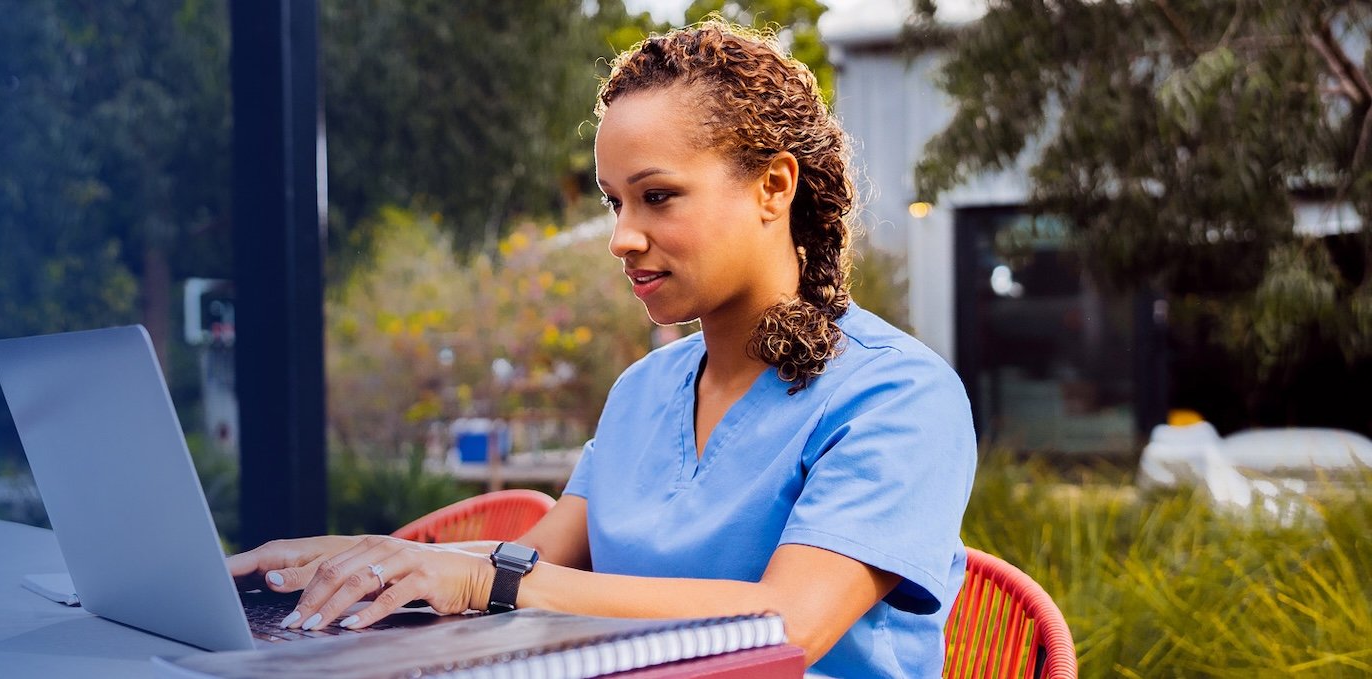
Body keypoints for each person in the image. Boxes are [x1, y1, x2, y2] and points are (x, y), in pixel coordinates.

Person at [226, 19, 975, 678]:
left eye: (657, 196)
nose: (622, 237)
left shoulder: (898, 395)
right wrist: (356, 559)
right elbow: (534, 559)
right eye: (614, 201)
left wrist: (483, 583)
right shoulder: (645, 391)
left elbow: (790, 621)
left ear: (773, 187)